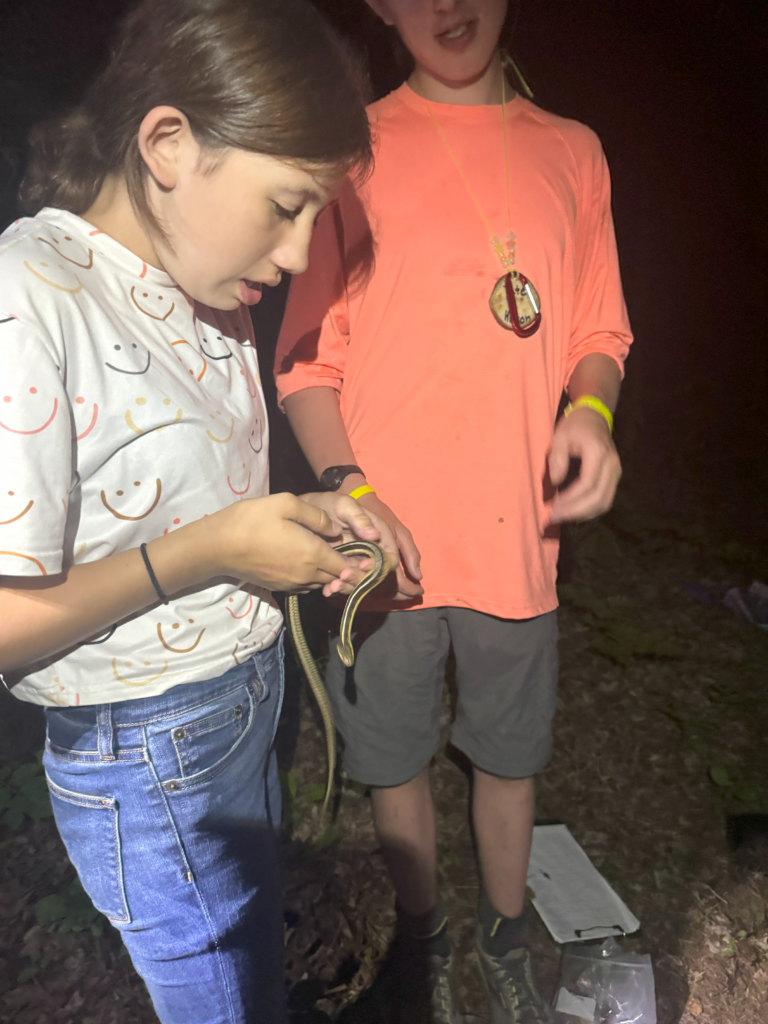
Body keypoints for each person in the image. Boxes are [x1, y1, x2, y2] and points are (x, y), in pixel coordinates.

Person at [0, 0, 394, 1020]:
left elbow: (182, 490)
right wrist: (218, 548)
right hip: (145, 745)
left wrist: (297, 523)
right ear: (169, 143)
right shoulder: (31, 300)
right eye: (287, 205)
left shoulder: (209, 288)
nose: (304, 255)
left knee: (249, 951)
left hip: (242, 697)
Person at [274, 1, 633, 1021]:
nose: (449, 4)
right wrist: (351, 488)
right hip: (388, 550)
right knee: (394, 765)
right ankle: (423, 932)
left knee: (509, 758)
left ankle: (506, 934)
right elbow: (307, 361)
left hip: (522, 539)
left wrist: (594, 412)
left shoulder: (574, 152)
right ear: (381, 7)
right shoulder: (348, 149)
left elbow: (600, 327)